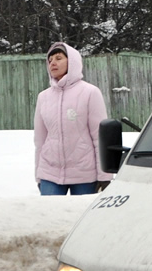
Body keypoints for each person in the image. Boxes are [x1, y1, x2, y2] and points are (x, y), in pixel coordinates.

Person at [34, 42, 112, 195]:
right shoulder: (43, 97)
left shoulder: (90, 92)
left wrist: (105, 175)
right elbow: (40, 140)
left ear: (73, 62)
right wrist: (39, 175)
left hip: (84, 174)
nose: (53, 63)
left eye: (59, 58)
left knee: (83, 217)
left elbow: (99, 137)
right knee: (50, 217)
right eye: (50, 60)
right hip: (50, 173)